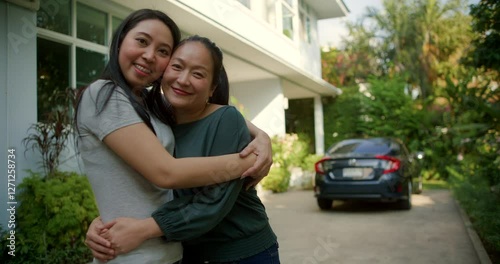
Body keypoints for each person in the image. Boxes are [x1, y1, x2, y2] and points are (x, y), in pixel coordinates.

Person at [75, 9, 272, 264]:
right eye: (142, 41)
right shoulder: (105, 95)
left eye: (163, 51)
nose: (149, 56)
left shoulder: (150, 106)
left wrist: (261, 135)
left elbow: (221, 119)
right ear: (121, 39)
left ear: (212, 87)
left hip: (207, 251)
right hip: (137, 253)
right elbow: (165, 173)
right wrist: (247, 162)